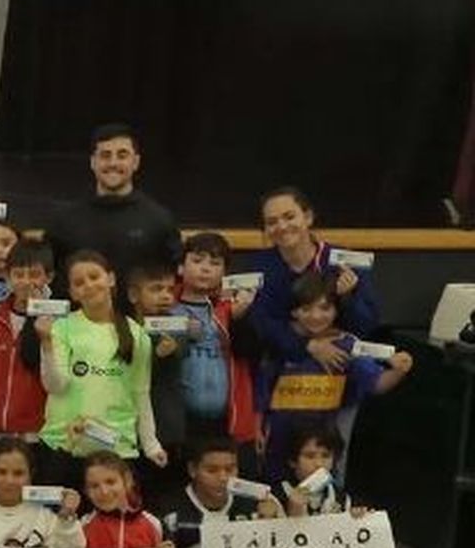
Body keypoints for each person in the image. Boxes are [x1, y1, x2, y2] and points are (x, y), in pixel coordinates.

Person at [259, 270, 412, 485]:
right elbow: (259, 389)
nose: (316, 316)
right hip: (278, 440)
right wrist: (258, 427)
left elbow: (376, 384)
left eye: (324, 308)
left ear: (336, 309)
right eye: (306, 308)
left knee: (325, 496)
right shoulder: (281, 343)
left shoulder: (347, 344)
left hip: (323, 443)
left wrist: (398, 370)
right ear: (294, 311)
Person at [35, 250, 166, 491]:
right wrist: (46, 344)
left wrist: (150, 443)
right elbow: (56, 386)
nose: (88, 285)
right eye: (79, 282)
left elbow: (141, 393)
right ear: (73, 292)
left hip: (115, 449)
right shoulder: (62, 327)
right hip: (64, 446)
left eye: (94, 276)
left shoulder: (137, 335)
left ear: (111, 279)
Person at [248, 186, 382, 368]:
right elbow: (263, 322)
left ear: (308, 217)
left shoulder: (345, 262)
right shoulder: (261, 265)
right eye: (272, 222)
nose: (282, 226)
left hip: (343, 356)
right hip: (285, 358)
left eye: (289, 217)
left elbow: (367, 325)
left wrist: (348, 298)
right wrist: (308, 346)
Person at [44, 123, 182, 294]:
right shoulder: (63, 221)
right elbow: (49, 278)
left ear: (136, 162)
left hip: (139, 319)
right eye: (105, 155)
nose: (113, 163)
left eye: (122, 155)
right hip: (77, 318)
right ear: (93, 162)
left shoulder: (159, 220)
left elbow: (173, 278)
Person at [175, 232, 263, 475]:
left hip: (226, 419)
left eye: (214, 263)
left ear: (225, 273)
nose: (205, 269)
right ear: (181, 267)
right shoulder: (165, 305)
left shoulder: (233, 307)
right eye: (197, 260)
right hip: (182, 421)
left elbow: (252, 353)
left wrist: (240, 317)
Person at [0, 240, 53, 440]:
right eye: (18, 275)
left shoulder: (59, 324)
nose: (26, 282)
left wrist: (38, 316)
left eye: (34, 275)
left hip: (35, 432)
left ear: (49, 277)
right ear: (8, 277)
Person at [129, 261, 190, 493]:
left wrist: (170, 350)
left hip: (167, 429)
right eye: (156, 289)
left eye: (169, 289)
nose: (165, 295)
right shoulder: (123, 329)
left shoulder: (175, 325)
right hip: (129, 430)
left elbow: (181, 347)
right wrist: (153, 355)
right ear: (134, 294)